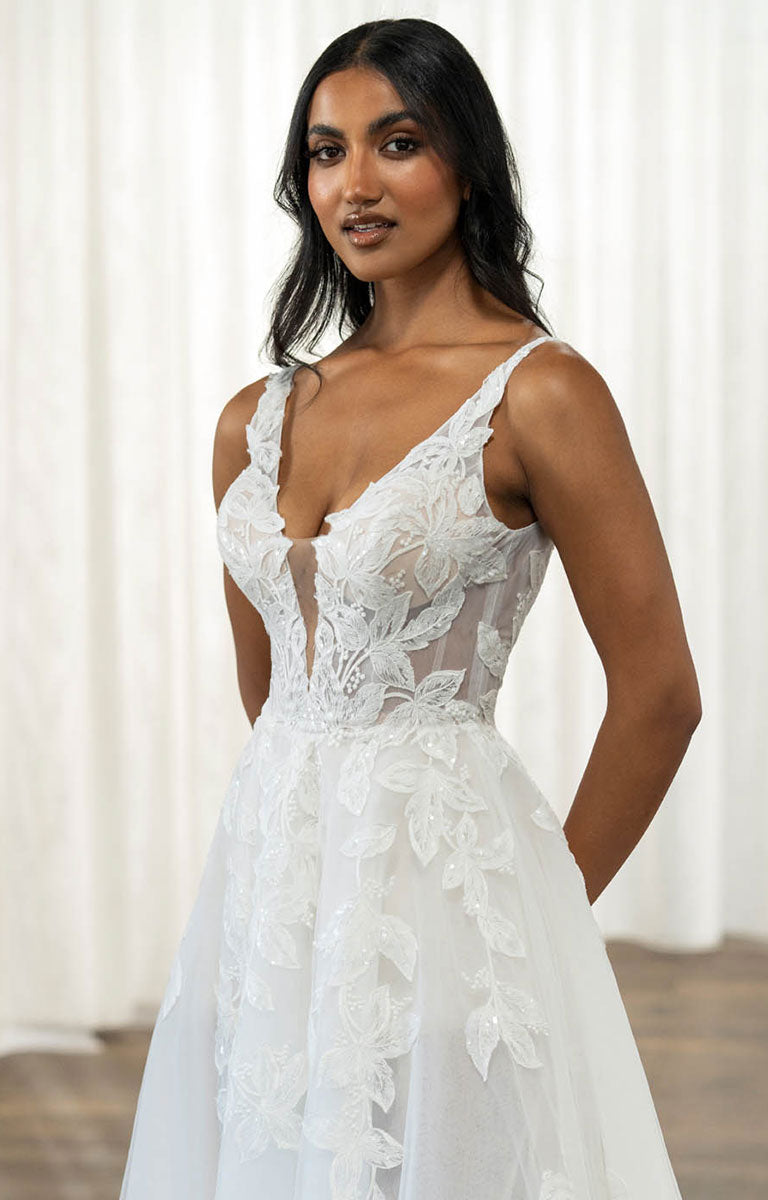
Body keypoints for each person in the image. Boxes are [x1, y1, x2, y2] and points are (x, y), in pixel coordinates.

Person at [119, 17, 701, 1199]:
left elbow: (661, 696)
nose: (357, 182)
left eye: (398, 142)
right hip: (277, 888)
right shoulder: (254, 416)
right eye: (327, 153)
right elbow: (276, 684)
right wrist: (310, 875)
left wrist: (533, 922)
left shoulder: (540, 394)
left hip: (452, 905)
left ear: (468, 164)